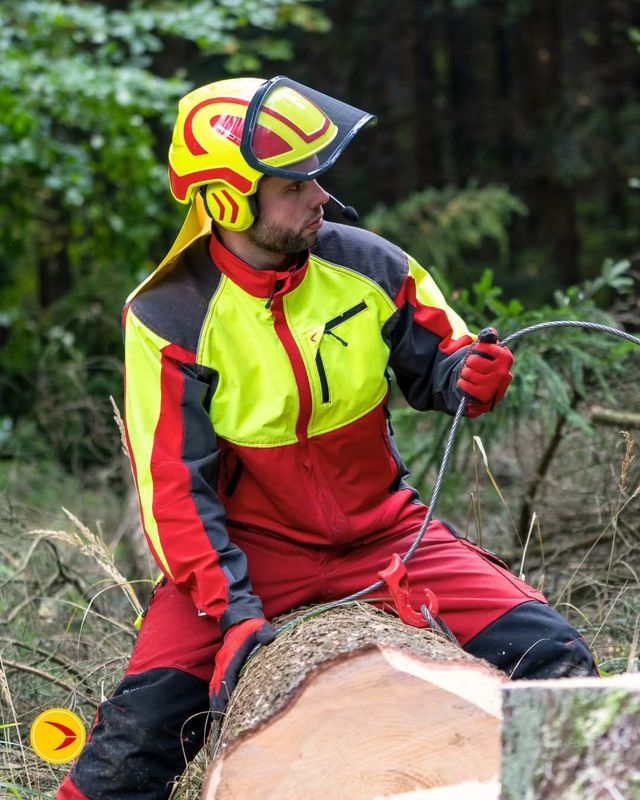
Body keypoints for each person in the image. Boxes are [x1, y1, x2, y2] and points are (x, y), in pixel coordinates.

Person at [58, 76, 597, 800]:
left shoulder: (370, 264)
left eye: (317, 176)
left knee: (558, 663)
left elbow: (441, 361)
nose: (321, 196)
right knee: (130, 753)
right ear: (224, 201)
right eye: (293, 184)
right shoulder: (170, 315)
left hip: (384, 532)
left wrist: (472, 376)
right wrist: (236, 613)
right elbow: (172, 491)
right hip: (247, 551)